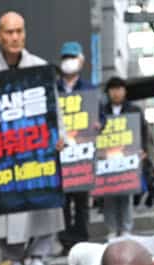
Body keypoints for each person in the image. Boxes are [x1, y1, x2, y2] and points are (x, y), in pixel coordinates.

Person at [0, 12, 65, 265]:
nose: (15, 37)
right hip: (2, 153)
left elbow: (54, 108)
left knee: (42, 203)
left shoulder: (40, 68)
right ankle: (14, 259)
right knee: (3, 207)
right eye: (9, 32)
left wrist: (60, 135)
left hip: (35, 150)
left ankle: (38, 257)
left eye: (19, 31)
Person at [55, 41, 93, 251]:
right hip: (60, 154)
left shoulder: (89, 89)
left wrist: (99, 123)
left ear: (81, 60)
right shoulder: (53, 88)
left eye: (72, 57)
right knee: (62, 202)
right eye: (65, 58)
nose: (68, 62)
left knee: (81, 202)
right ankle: (66, 242)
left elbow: (101, 116)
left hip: (82, 155)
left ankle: (81, 240)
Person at [97, 76, 146, 238]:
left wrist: (143, 150)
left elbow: (143, 132)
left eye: (119, 89)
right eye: (113, 89)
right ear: (108, 92)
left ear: (125, 91)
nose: (116, 93)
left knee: (126, 193)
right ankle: (112, 229)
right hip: (107, 158)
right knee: (109, 194)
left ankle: (126, 228)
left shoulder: (134, 110)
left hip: (127, 157)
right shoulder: (101, 112)